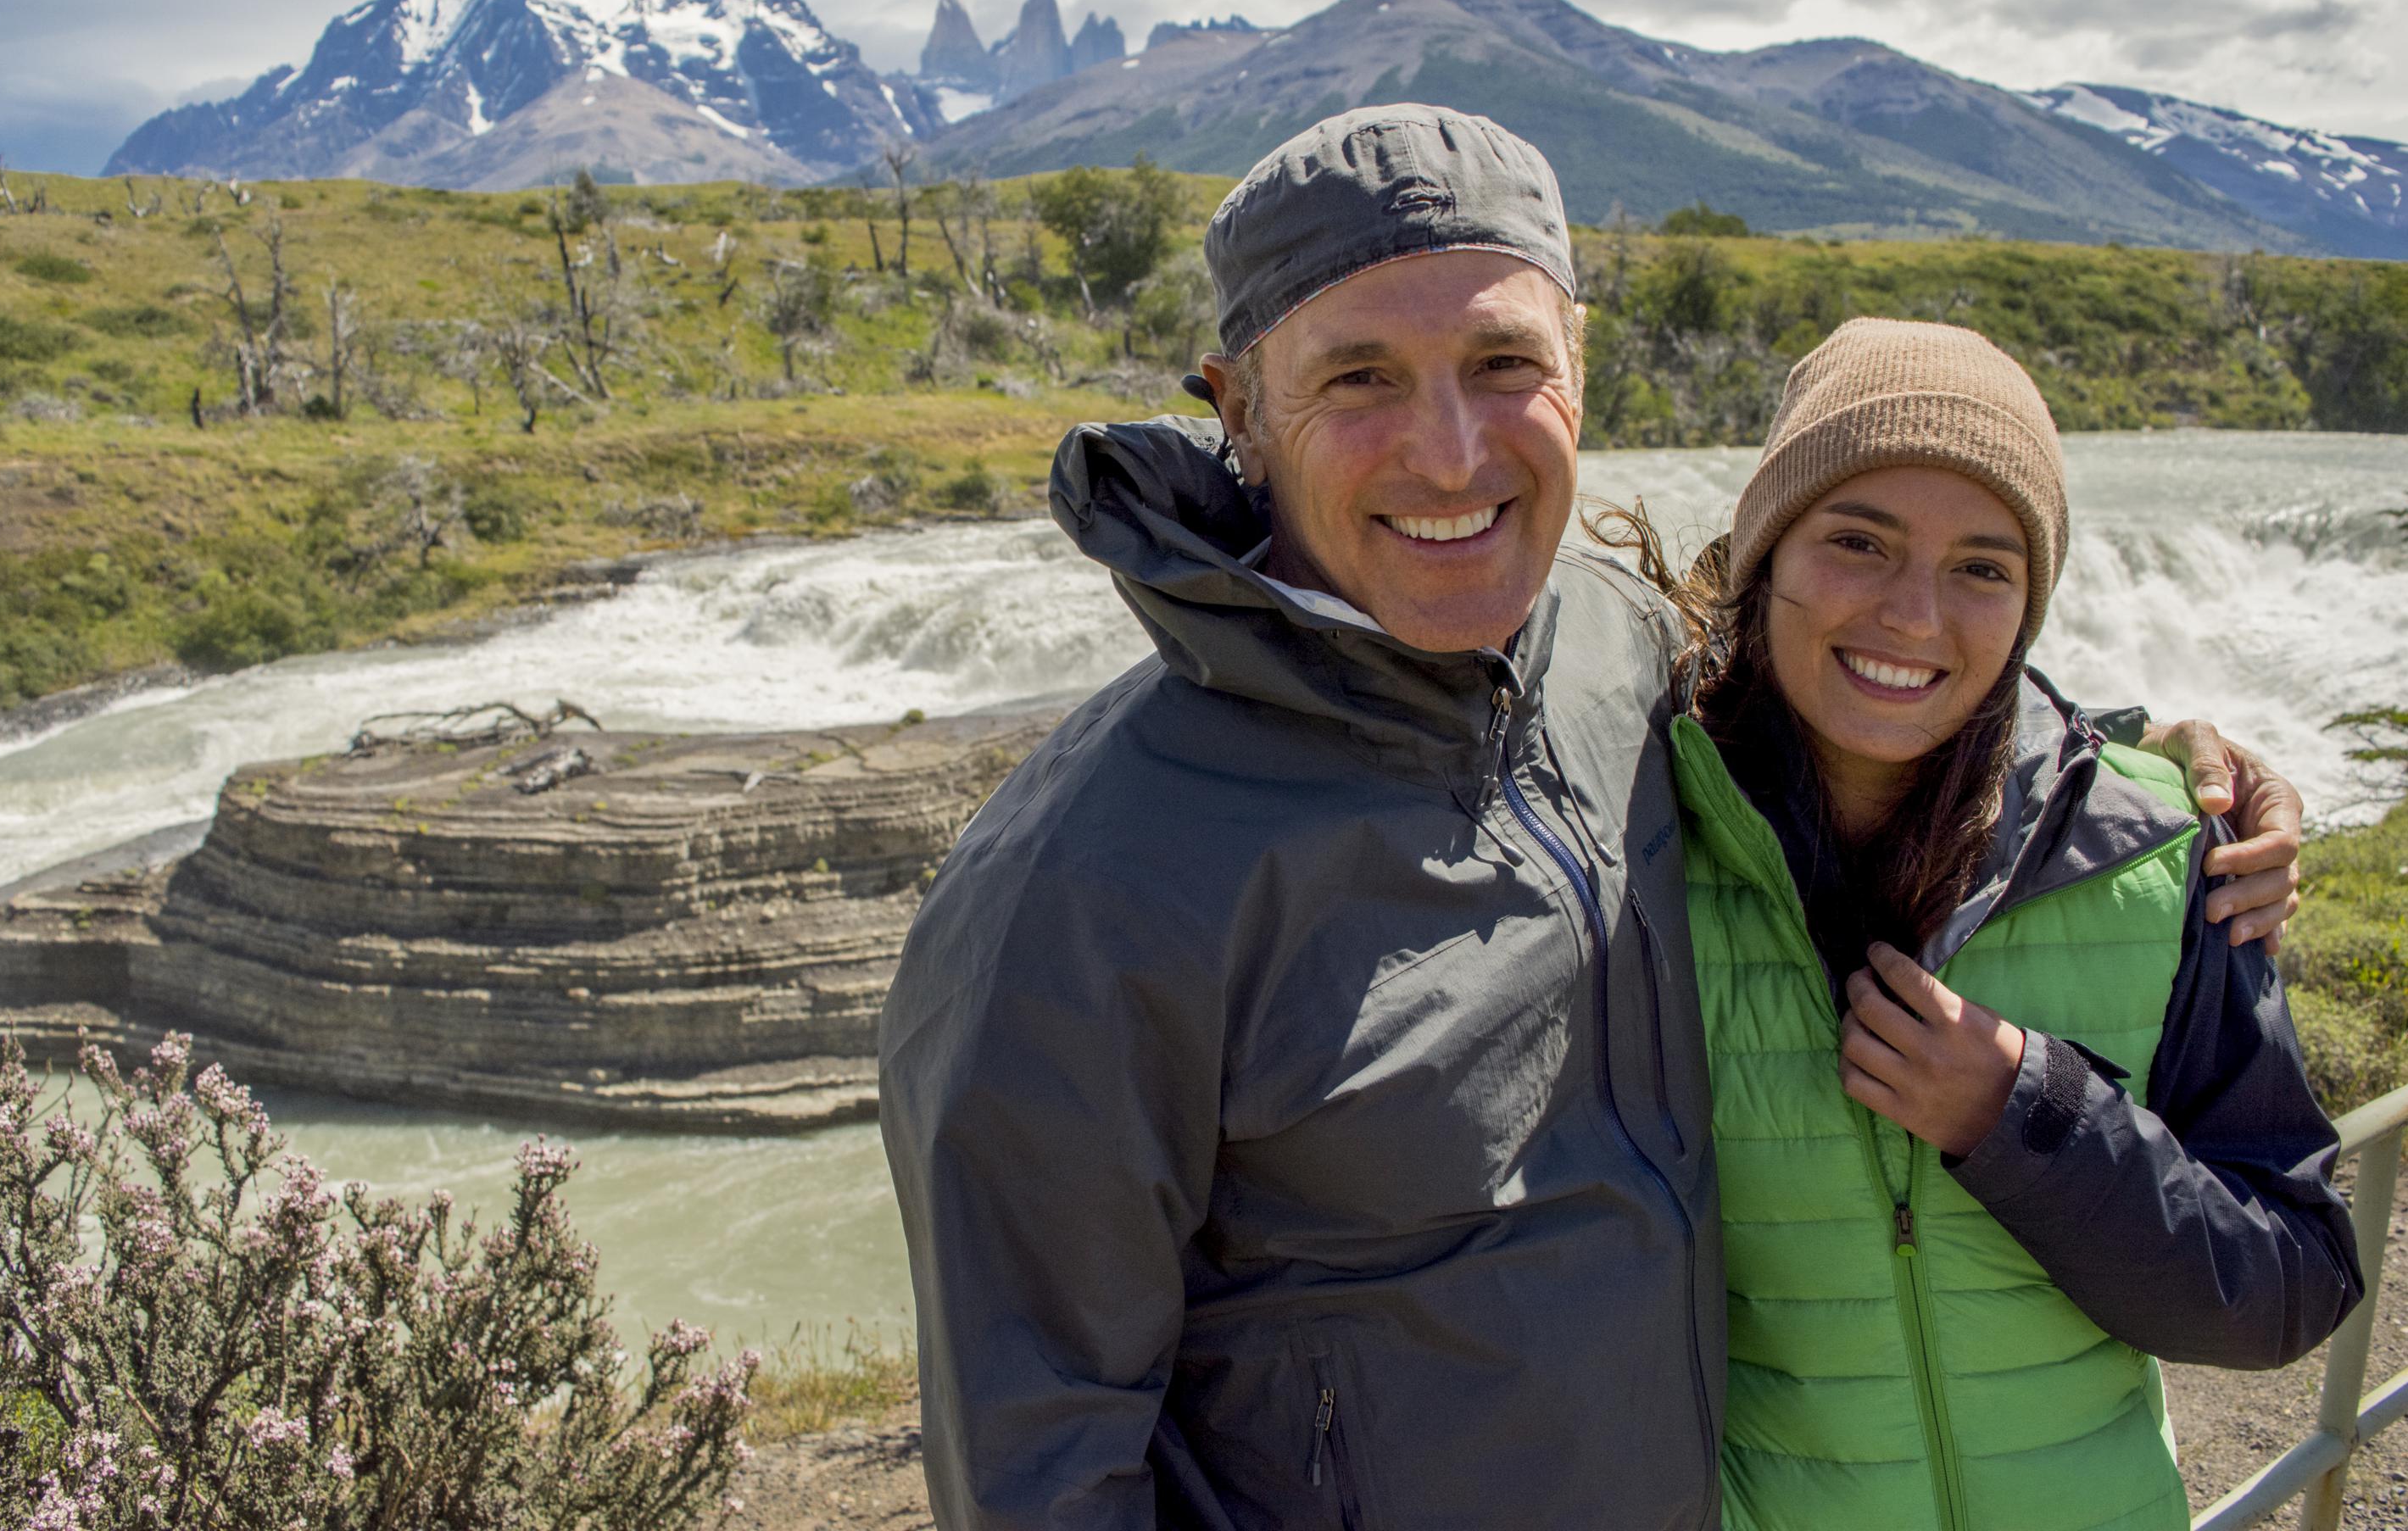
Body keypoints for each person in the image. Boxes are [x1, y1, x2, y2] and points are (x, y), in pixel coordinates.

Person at [878, 106, 2307, 1531]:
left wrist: (2153, 767)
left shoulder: (1621, 648)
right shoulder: (1079, 890)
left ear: (1581, 370)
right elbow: (1039, 1466)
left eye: (1505, 364)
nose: (1450, 455)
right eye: (1361, 376)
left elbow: (1886, 678)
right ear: (1238, 408)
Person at [1615, 318, 2361, 1530]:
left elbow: (2290, 1283)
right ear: (1765, 556)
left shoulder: (2161, 860)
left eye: (1982, 566)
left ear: (2030, 603)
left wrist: (2033, 1117)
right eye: (1857, 541)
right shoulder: (1625, 857)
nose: (1915, 616)